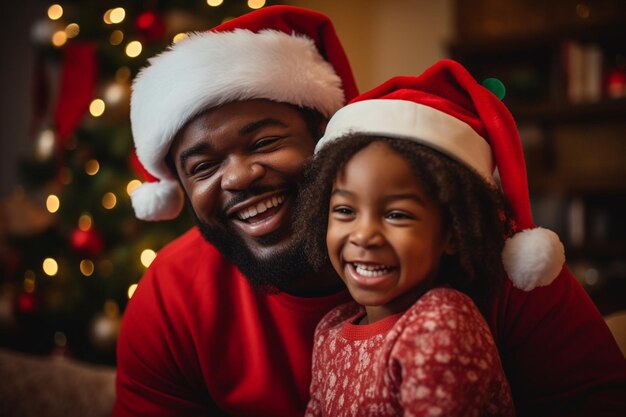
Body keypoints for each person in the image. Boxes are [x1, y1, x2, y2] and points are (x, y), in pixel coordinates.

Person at [114, 5, 626, 417]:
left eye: (265, 140)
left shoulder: (489, 250)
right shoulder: (172, 294)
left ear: (328, 137)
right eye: (203, 167)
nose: (240, 176)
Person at [297, 60, 519, 416]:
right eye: (344, 211)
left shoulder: (441, 321)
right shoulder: (331, 329)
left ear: (451, 232)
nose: (364, 235)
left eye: (396, 214)